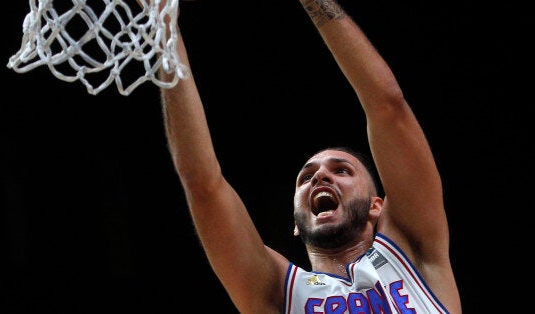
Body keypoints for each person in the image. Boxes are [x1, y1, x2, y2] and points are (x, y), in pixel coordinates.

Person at [157, 0, 461, 313]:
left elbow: (387, 106)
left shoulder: (413, 250)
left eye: (342, 171)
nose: (319, 177)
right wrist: (165, 29)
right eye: (306, 177)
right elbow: (202, 184)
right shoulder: (278, 292)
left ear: (376, 206)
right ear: (295, 224)